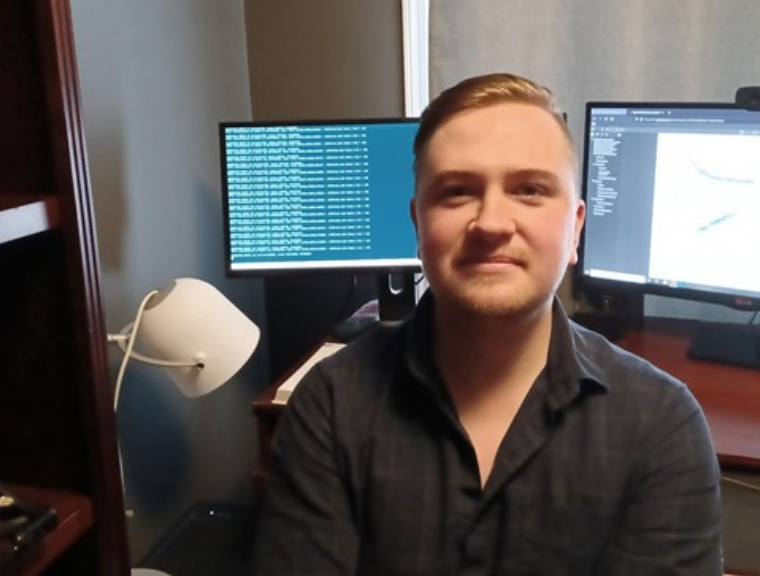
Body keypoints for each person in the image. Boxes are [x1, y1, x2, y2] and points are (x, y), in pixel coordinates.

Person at [251, 73, 722, 576]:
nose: (492, 223)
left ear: (576, 229)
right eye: (457, 192)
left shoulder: (662, 424)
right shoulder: (329, 404)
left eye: (530, 190)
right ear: (418, 224)